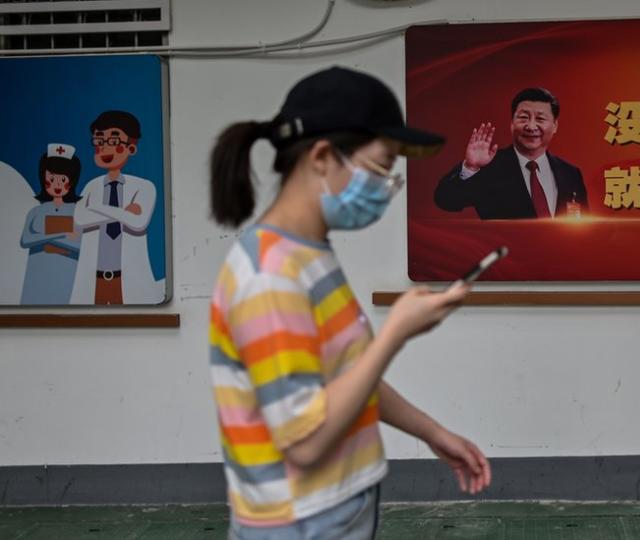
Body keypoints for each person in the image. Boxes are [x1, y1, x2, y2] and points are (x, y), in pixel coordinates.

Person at [208, 66, 491, 540]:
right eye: (381, 166)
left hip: (336, 506)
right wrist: (396, 333)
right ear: (322, 157)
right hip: (299, 521)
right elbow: (304, 440)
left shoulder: (308, 255)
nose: (386, 186)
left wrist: (431, 432)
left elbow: (343, 378)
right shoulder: (269, 276)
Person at [434, 87, 589, 219]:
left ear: (555, 125)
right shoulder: (489, 166)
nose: (531, 126)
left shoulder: (571, 174)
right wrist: (470, 167)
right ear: (512, 123)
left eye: (540, 119)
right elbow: (446, 201)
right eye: (523, 118)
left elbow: (583, 227)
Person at [71, 110, 162, 305]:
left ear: (131, 148)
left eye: (113, 142)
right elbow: (79, 220)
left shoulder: (144, 187)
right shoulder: (91, 186)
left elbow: (138, 222)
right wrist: (122, 213)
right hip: (94, 279)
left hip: (129, 279)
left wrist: (96, 207)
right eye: (99, 141)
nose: (104, 148)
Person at [19, 144, 82, 304]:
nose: (58, 185)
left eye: (63, 179)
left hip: (65, 270)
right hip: (37, 270)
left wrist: (45, 239)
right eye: (52, 179)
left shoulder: (78, 212)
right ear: (43, 178)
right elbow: (25, 240)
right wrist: (60, 234)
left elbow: (79, 243)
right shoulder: (36, 211)